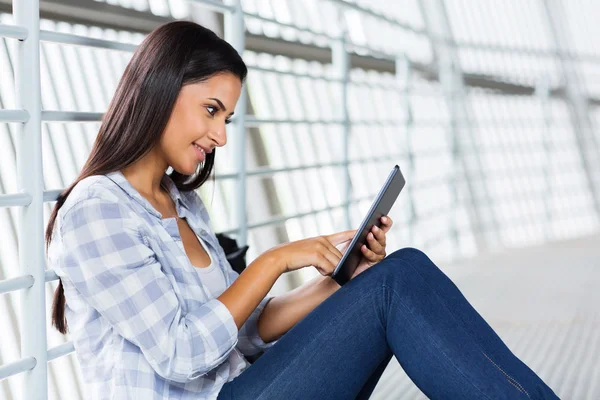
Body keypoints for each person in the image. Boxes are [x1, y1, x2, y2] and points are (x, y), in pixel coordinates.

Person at [45, 21, 560, 400]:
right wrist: (273, 261)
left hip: (244, 387)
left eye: (226, 116)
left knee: (396, 271)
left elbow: (241, 331)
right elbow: (182, 354)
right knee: (397, 284)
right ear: (159, 89)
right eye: (211, 110)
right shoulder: (97, 212)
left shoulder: (182, 204)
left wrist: (340, 280)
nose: (220, 135)